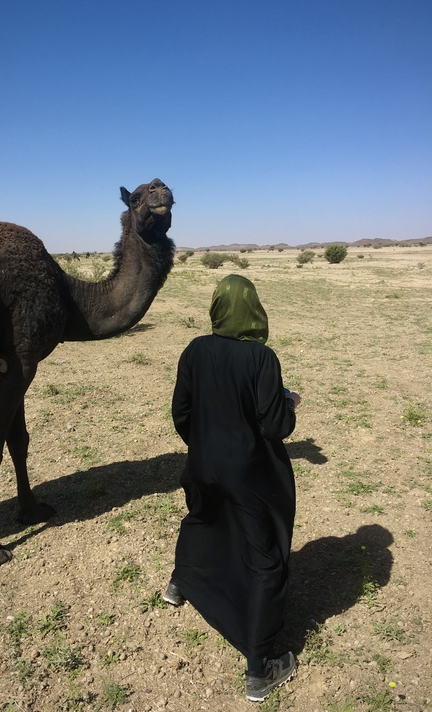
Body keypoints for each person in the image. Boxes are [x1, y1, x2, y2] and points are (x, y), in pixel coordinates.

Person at [164, 274, 300, 702]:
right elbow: (275, 425)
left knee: (202, 518)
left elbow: (181, 412)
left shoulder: (195, 350)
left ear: (217, 307)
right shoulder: (261, 358)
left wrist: (205, 446)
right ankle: (260, 669)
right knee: (265, 558)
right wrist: (286, 403)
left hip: (202, 463)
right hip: (249, 474)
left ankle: (179, 584)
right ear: (254, 308)